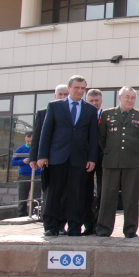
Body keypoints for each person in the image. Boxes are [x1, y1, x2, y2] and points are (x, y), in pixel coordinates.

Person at [37, 75, 98, 237]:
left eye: (82, 88)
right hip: (57, 157)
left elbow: (93, 136)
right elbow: (46, 132)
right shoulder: (55, 106)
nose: (79, 91)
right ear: (69, 88)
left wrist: (92, 158)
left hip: (79, 159)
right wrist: (42, 155)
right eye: (76, 88)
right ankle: (51, 226)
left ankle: (74, 227)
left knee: (76, 195)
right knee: (54, 194)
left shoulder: (90, 110)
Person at [96, 86, 139, 239]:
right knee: (107, 196)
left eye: (133, 98)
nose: (130, 100)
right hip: (111, 160)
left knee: (131, 197)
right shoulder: (107, 114)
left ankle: (130, 229)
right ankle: (104, 228)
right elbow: (102, 138)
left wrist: (132, 152)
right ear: (120, 98)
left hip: (132, 162)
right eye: (127, 97)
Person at [30, 84, 69, 230]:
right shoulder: (43, 112)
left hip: (67, 160)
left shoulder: (73, 112)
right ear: (55, 95)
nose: (63, 97)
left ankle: (61, 225)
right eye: (60, 94)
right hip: (49, 161)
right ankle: (49, 224)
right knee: (50, 193)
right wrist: (35, 157)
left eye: (66, 94)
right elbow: (37, 137)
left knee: (65, 194)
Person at [83, 89, 104, 234]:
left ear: (101, 101)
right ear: (86, 101)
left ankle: (99, 224)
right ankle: (87, 224)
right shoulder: (83, 114)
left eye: (97, 101)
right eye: (91, 101)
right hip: (85, 159)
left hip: (103, 159)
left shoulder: (107, 115)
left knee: (103, 193)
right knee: (85, 193)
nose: (94, 103)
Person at [12, 132, 39, 217]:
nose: (29, 143)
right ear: (25, 139)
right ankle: (22, 214)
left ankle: (35, 213)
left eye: (31, 141)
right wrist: (22, 161)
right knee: (22, 196)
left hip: (37, 174)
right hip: (24, 175)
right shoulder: (20, 149)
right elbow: (13, 162)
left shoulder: (39, 148)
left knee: (36, 196)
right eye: (27, 141)